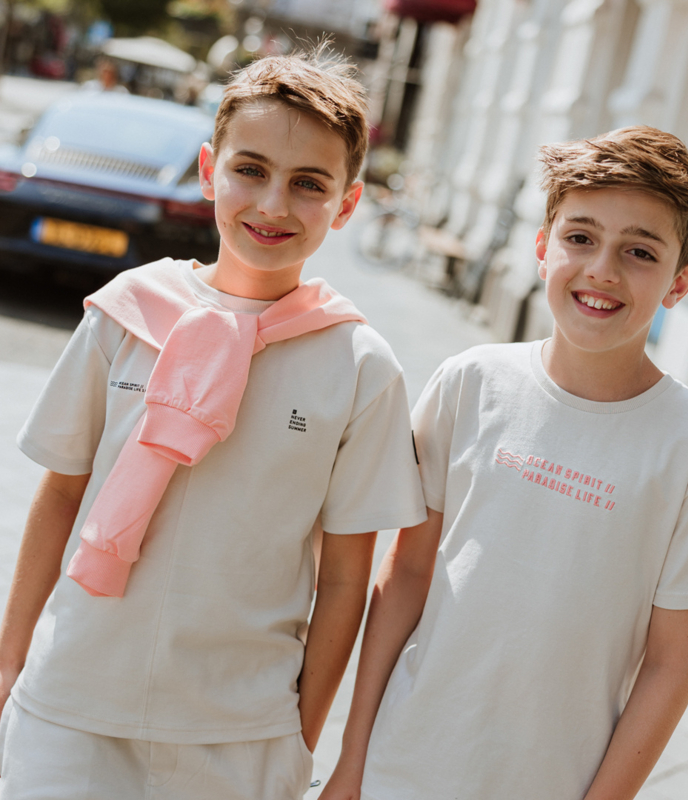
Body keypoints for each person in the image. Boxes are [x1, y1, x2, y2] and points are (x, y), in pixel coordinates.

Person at [0, 47, 426, 799]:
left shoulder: (360, 367)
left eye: (309, 184)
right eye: (250, 170)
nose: (273, 204)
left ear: (347, 204)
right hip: (72, 700)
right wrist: (9, 662)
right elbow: (61, 494)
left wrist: (299, 737)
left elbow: (344, 577)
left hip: (237, 733)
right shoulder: (123, 315)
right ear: (208, 170)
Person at [320, 126, 688, 800]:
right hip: (399, 766)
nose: (603, 270)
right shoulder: (469, 382)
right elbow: (406, 572)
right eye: (580, 237)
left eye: (640, 251)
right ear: (541, 248)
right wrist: (351, 761)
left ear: (680, 283)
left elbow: (670, 666)